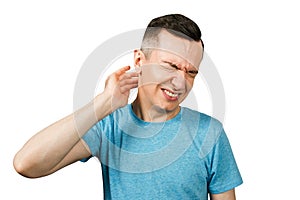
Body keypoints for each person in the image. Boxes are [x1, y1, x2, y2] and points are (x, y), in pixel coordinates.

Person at [13, 14, 243, 199]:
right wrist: (103, 103)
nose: (181, 82)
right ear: (140, 61)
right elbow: (27, 165)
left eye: (191, 72)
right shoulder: (109, 127)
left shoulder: (210, 132)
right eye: (170, 65)